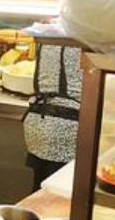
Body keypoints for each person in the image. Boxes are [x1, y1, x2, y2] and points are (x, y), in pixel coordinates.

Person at [22, 42, 83, 190]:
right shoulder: (83, 40)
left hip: (37, 123)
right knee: (59, 195)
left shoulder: (50, 36)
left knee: (41, 189)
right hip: (67, 126)